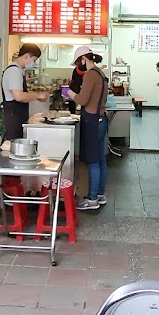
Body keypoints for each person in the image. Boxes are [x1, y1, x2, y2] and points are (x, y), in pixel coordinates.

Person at [68, 46, 109, 211]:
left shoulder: (91, 75)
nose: (79, 66)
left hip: (92, 120)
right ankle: (100, 194)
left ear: (84, 59)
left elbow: (82, 100)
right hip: (101, 119)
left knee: (92, 161)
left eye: (79, 62)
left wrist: (69, 93)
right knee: (100, 159)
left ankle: (91, 199)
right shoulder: (101, 73)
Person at [0, 44, 49, 142]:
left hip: (17, 116)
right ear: (27, 56)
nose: (34, 63)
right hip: (13, 117)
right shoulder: (14, 71)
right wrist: (37, 95)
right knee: (13, 146)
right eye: (34, 60)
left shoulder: (19, 70)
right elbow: (19, 96)